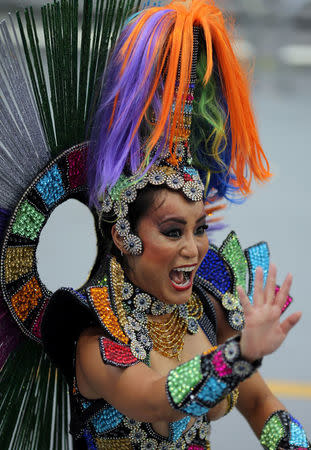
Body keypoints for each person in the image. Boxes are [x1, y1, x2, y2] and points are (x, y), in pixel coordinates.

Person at [0, 1, 309, 449]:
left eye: (199, 228)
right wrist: (239, 356)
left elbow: (261, 406)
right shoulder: (94, 333)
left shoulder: (207, 306)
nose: (194, 249)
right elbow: (153, 398)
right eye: (172, 231)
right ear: (125, 236)